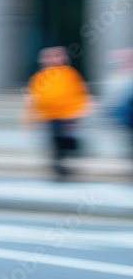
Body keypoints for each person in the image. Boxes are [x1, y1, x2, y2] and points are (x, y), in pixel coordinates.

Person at [24, 46, 91, 180]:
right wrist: (30, 115)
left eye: (60, 56)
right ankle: (59, 168)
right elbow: (33, 97)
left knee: (67, 141)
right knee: (55, 143)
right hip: (50, 116)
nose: (57, 59)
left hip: (68, 115)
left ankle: (65, 164)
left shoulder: (70, 73)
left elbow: (80, 91)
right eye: (52, 56)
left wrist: (82, 108)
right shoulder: (40, 77)